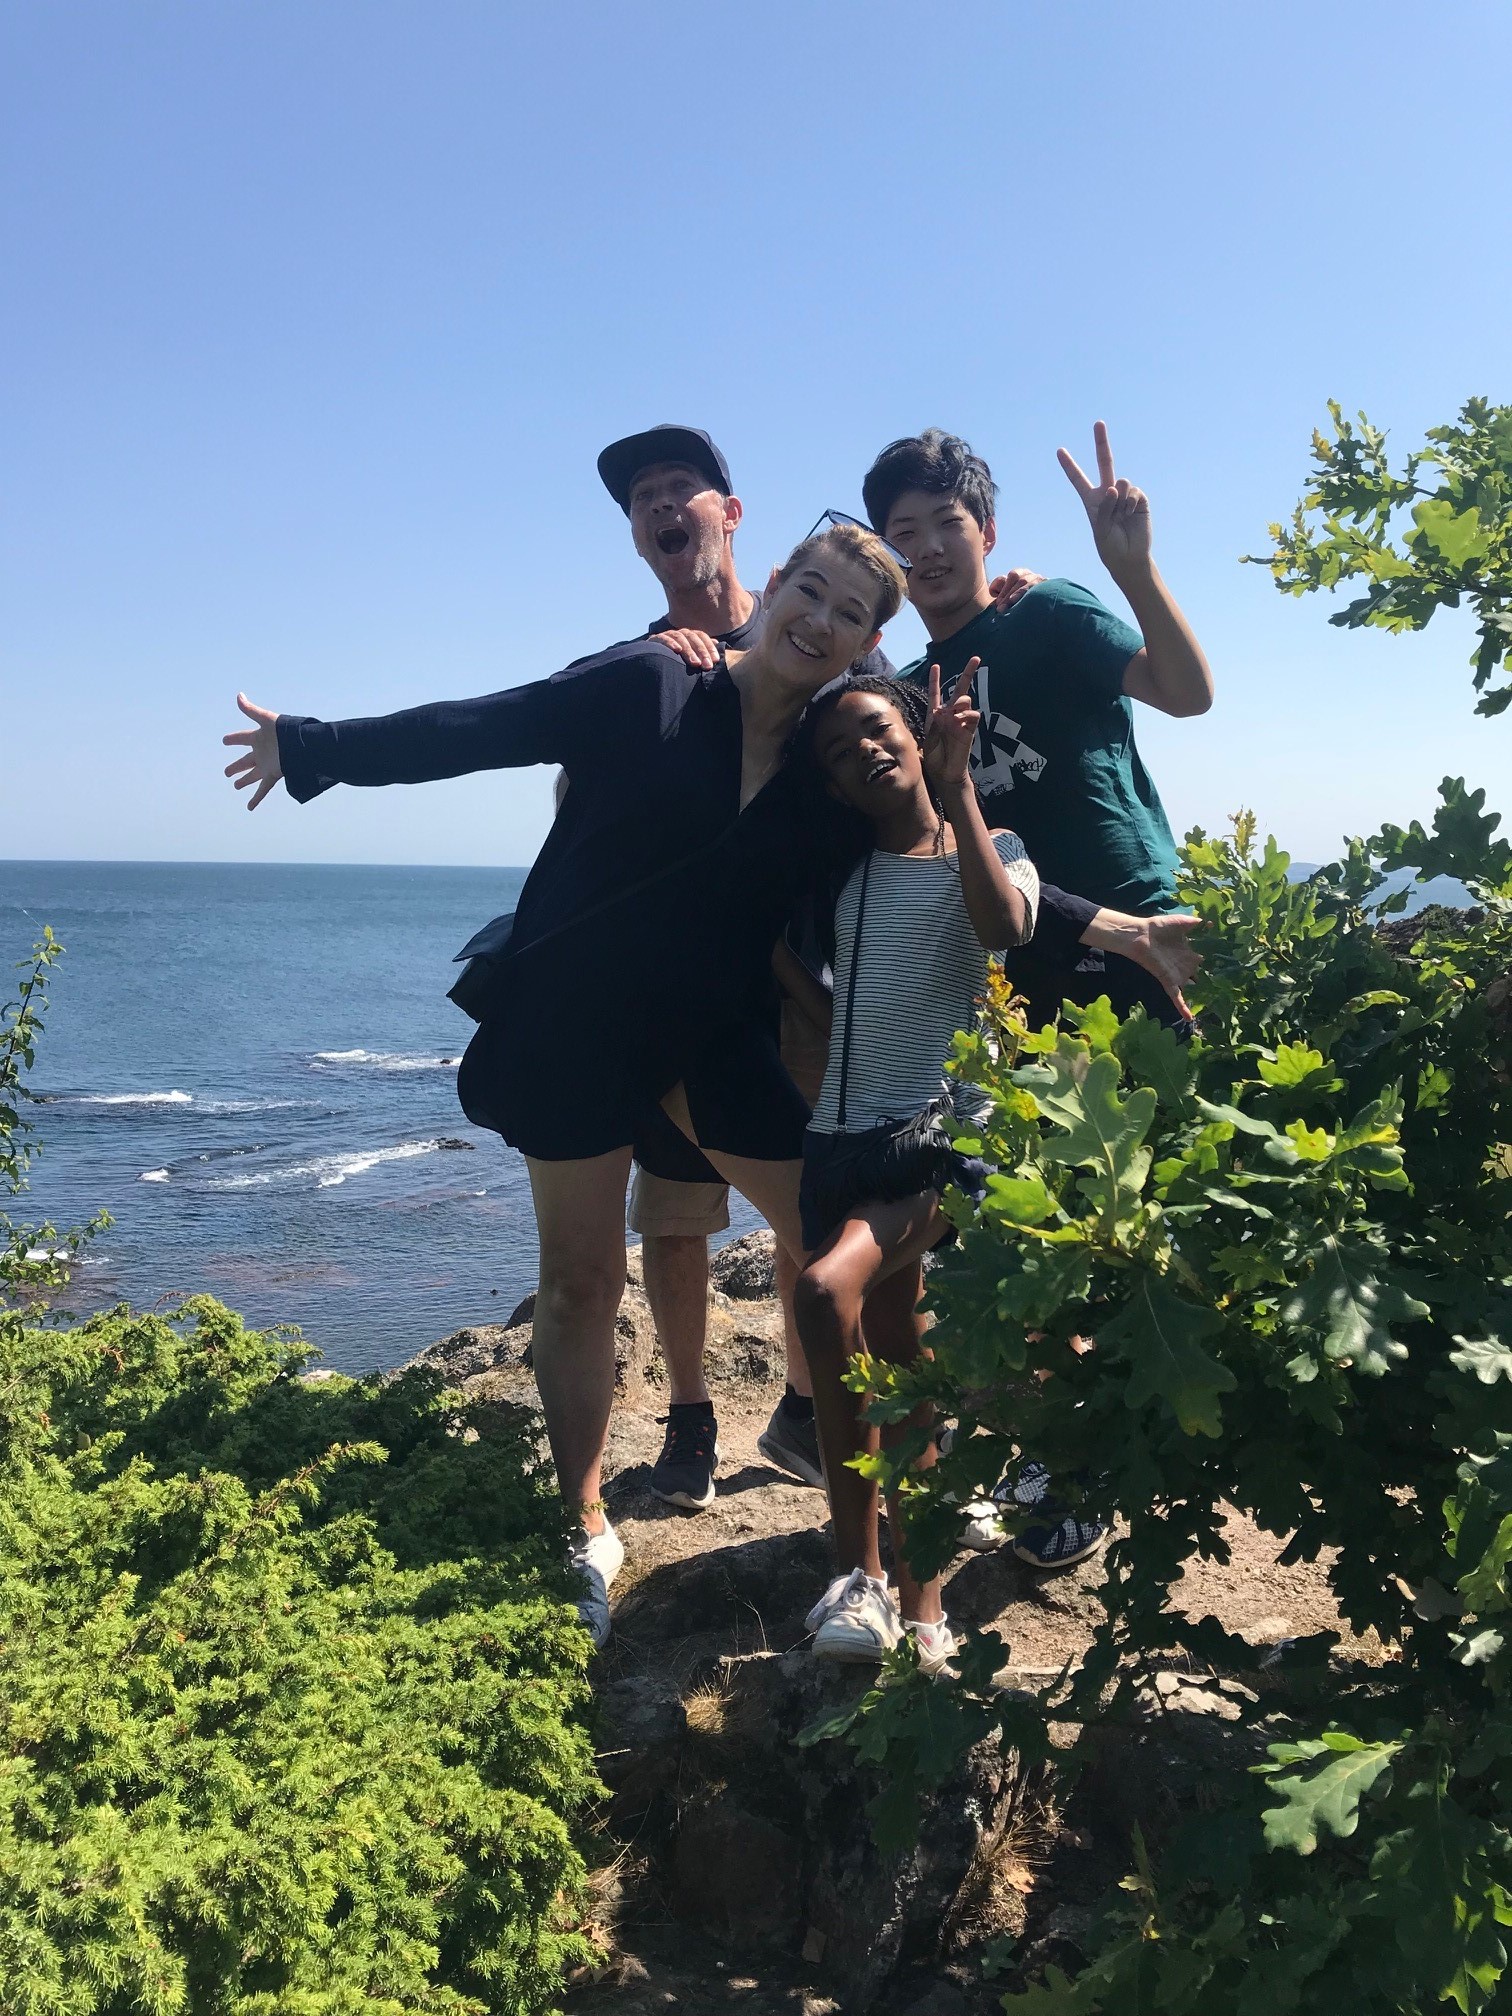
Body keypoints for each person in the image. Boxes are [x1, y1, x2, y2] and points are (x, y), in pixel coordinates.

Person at [224, 519, 912, 1648]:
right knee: (583, 1281)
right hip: (578, 1019)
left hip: (710, 1033)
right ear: (775, 582)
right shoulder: (657, 681)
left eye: (850, 614)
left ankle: (876, 1539)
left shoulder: (823, 763)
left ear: (864, 644)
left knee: (843, 1254)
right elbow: (492, 724)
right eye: (812, 589)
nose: (820, 621)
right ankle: (585, 1524)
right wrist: (312, 747)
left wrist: (1095, 927)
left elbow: (917, 834)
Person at [591, 426, 896, 1513]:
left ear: (731, 516)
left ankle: (806, 1413)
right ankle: (690, 1420)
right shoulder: (648, 668)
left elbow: (897, 746)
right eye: (643, 498)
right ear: (638, 538)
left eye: (682, 487)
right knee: (675, 1214)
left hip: (805, 984)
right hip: (686, 994)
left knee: (807, 1197)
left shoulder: (822, 636)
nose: (662, 506)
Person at [787, 665, 1037, 1674]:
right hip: (838, 1141)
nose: (863, 752)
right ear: (832, 786)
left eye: (876, 729)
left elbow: (1004, 928)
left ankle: (858, 1577)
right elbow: (838, 1002)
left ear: (916, 728)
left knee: (821, 1293)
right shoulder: (845, 875)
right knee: (901, 1367)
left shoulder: (996, 848)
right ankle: (928, 1611)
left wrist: (959, 786)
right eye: (839, 752)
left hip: (936, 1137)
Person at [863, 423, 1212, 1032]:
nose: (931, 548)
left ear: (988, 533)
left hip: (1142, 926)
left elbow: (1187, 695)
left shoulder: (1047, 612)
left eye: (949, 523)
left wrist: (1134, 570)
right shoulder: (911, 693)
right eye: (906, 534)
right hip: (1020, 955)